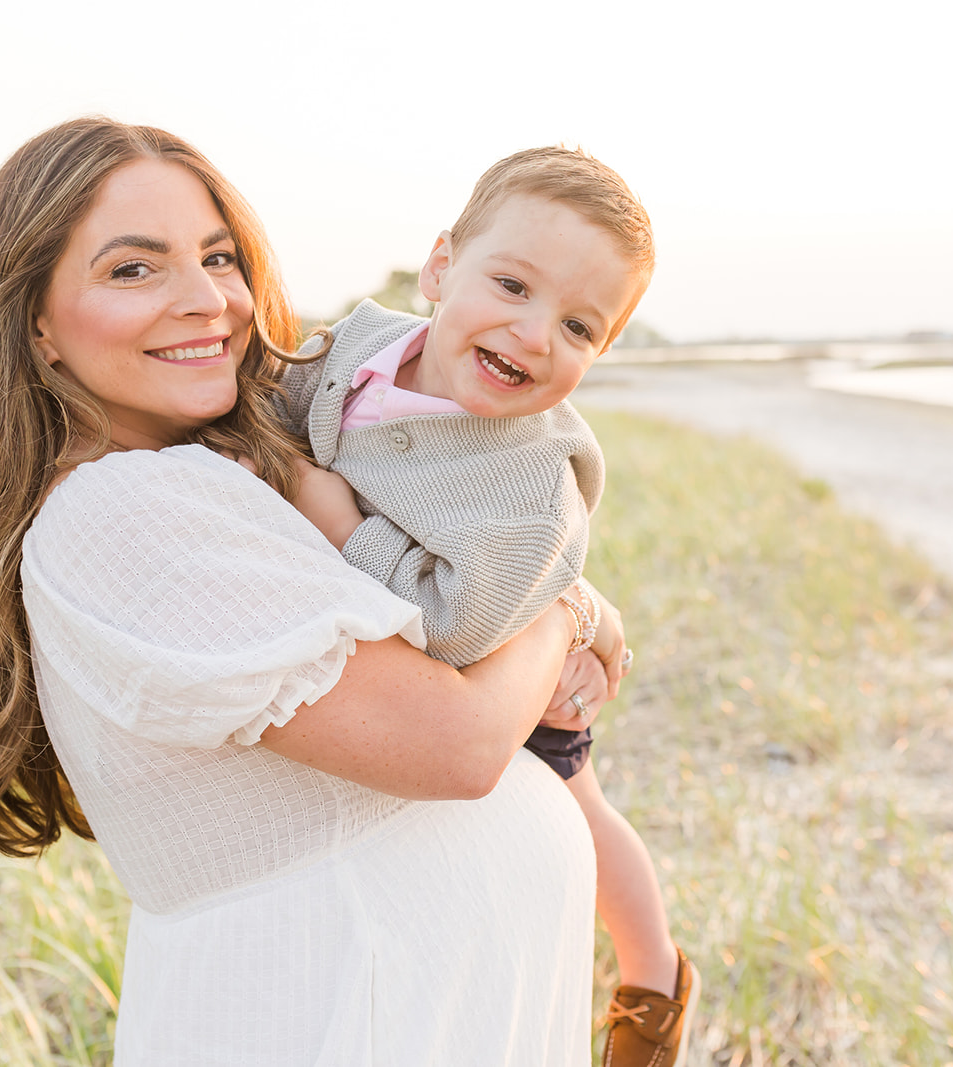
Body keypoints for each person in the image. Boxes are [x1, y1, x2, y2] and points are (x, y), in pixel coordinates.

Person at [0, 116, 623, 1066]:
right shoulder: (122, 511)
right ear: (35, 321)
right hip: (328, 1012)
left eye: (218, 257)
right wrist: (564, 605)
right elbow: (454, 745)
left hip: (401, 1005)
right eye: (134, 269)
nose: (205, 299)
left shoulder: (217, 470)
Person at [277, 146, 696, 1067]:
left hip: (513, 666)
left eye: (580, 326)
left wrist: (336, 519)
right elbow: (271, 408)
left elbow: (460, 631)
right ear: (439, 267)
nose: (536, 333)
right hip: (402, 670)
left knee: (580, 806)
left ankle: (653, 977)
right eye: (511, 285)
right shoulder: (355, 347)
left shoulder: (532, 484)